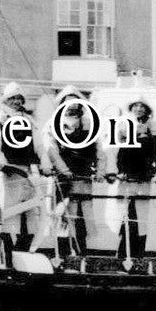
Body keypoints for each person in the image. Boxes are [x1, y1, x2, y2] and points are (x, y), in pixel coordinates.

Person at [42, 85, 104, 264]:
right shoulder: (53, 124)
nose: (71, 106)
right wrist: (65, 171)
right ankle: (61, 256)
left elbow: (99, 151)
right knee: (62, 216)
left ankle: (81, 256)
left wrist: (100, 171)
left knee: (81, 217)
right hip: (63, 179)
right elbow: (51, 150)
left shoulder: (89, 125)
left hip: (83, 177)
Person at [104, 99, 156, 261]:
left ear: (147, 110)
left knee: (141, 220)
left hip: (144, 179)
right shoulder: (121, 125)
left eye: (142, 106)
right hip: (124, 179)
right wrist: (113, 172)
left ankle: (138, 256)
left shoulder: (155, 128)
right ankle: (121, 256)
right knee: (123, 216)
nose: (139, 109)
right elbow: (111, 149)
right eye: (136, 106)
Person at [0, 82, 45, 262]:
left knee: (30, 213)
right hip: (8, 172)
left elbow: (39, 145)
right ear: (5, 99)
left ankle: (23, 253)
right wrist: (2, 163)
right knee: (8, 213)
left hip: (28, 171)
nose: (15, 101)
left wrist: (45, 163)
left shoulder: (28, 120)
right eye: (12, 98)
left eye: (18, 98)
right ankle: (5, 256)